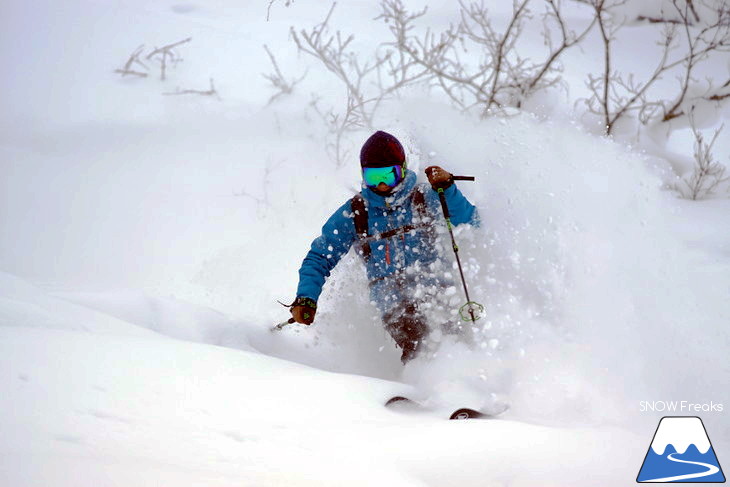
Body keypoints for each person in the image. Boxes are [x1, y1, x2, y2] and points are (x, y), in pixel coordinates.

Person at [289, 131, 479, 363]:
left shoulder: (423, 197)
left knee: (455, 344)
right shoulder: (357, 212)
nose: (380, 185)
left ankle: (465, 389)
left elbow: (471, 223)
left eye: (388, 176)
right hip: (394, 303)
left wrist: (448, 189)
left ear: (402, 169)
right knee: (417, 341)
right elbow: (320, 256)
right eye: (373, 177)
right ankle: (422, 388)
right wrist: (306, 297)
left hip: (438, 292)